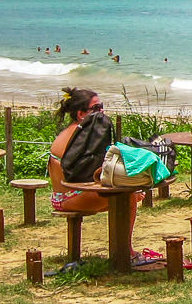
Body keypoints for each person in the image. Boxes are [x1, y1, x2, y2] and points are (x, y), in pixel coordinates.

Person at [48, 87, 147, 262]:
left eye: (102, 106)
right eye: (96, 108)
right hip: (70, 197)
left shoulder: (77, 132)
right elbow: (92, 174)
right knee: (127, 197)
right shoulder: (79, 137)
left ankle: (124, 249)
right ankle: (126, 252)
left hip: (65, 196)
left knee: (126, 195)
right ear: (81, 114)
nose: (102, 112)